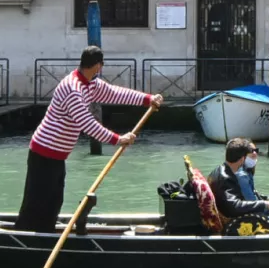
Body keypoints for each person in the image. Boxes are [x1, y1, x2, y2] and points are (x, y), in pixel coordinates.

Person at [14, 45, 162, 232]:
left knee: (53, 201)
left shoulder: (91, 84)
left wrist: (147, 99)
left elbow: (115, 93)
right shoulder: (73, 88)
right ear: (99, 66)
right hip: (43, 153)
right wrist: (118, 139)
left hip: (58, 156)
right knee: (36, 202)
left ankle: (45, 232)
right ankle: (27, 234)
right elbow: (87, 124)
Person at [207, 137, 269, 222]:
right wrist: (264, 204)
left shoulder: (218, 170)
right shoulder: (226, 178)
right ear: (242, 159)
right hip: (236, 222)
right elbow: (234, 207)